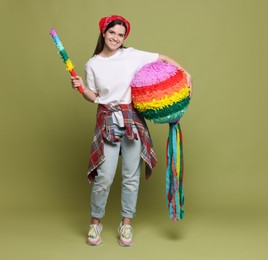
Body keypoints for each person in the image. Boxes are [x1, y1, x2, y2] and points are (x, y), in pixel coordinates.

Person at [71, 15, 192, 247]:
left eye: (121, 35)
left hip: (132, 120)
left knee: (130, 178)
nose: (116, 38)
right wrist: (82, 88)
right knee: (104, 178)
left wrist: (186, 72)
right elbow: (95, 97)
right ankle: (95, 223)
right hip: (107, 119)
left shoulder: (132, 55)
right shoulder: (92, 64)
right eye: (112, 33)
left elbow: (163, 58)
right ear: (103, 33)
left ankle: (126, 224)